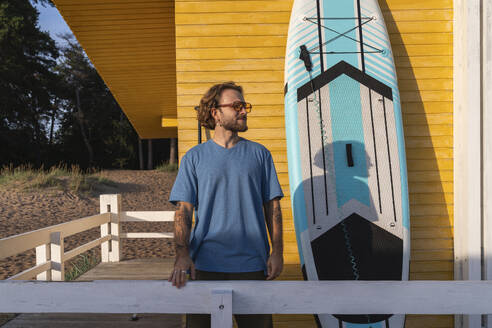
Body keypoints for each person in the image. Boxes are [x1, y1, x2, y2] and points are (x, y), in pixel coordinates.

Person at [168, 81, 284, 328]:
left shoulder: (260, 154)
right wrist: (182, 255)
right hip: (205, 265)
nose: (243, 111)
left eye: (245, 106)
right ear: (216, 113)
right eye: (237, 105)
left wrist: (277, 252)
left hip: (253, 265)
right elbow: (183, 212)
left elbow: (272, 207)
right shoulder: (194, 158)